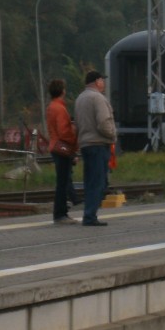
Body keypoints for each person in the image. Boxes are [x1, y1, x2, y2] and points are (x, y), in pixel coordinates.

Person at [74, 70, 116, 227]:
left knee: (90, 181)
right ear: (97, 81)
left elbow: (76, 124)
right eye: (102, 81)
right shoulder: (98, 98)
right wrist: (112, 135)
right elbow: (104, 122)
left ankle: (89, 213)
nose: (104, 83)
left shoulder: (80, 98)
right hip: (98, 144)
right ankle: (90, 216)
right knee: (98, 182)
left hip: (85, 144)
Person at [46, 79, 79, 225]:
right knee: (63, 183)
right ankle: (60, 215)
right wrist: (74, 134)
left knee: (62, 182)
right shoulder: (60, 108)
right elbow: (63, 131)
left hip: (55, 146)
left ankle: (61, 213)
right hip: (62, 148)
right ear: (63, 91)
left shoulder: (51, 107)